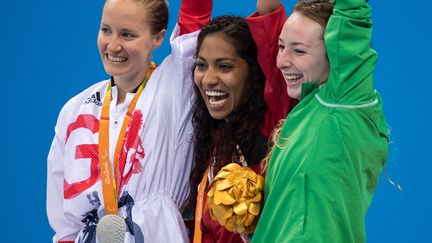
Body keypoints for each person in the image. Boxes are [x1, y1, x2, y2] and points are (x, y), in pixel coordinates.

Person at [46, 0, 211, 242]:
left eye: (127, 34)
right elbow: (65, 222)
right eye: (106, 30)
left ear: (157, 38)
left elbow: (195, 19)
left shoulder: (174, 86)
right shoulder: (74, 110)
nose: (113, 45)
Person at [251, 0, 389, 242]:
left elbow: (352, 11)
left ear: (337, 53)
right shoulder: (306, 111)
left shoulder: (344, 101)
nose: (281, 61)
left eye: (299, 50)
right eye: (282, 47)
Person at [188, 1, 297, 242]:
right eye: (201, 65)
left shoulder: (273, 124)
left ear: (255, 71)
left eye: (224, 67)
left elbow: (271, 38)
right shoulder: (211, 139)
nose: (208, 79)